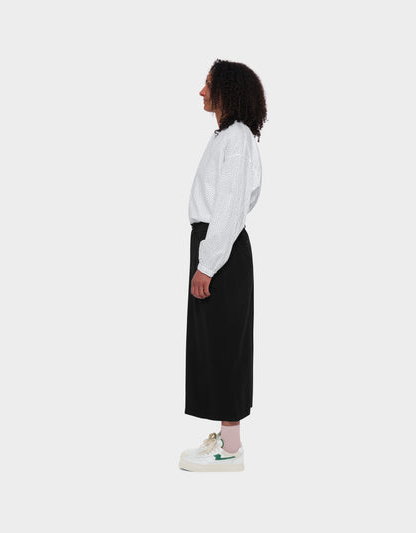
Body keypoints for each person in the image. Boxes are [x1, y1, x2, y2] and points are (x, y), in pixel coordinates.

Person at [179, 59, 267, 472]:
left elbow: (231, 207)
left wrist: (208, 264)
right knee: (214, 344)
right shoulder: (229, 137)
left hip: (221, 251)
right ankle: (228, 441)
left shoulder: (238, 138)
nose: (201, 91)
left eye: (208, 84)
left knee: (226, 344)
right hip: (215, 245)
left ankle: (230, 450)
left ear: (227, 90)